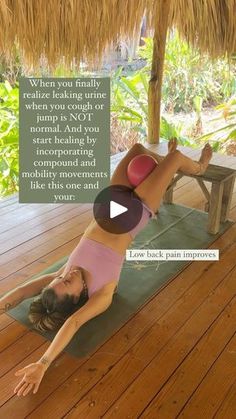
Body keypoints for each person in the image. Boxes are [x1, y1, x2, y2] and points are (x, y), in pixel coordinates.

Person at [0, 139, 213, 396]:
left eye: (61, 277)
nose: (67, 273)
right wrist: (43, 363)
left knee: (136, 149)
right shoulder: (102, 293)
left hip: (111, 202)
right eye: (68, 282)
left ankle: (162, 174)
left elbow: (23, 290)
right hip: (139, 207)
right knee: (177, 157)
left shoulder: (61, 276)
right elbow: (73, 322)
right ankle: (200, 167)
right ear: (78, 296)